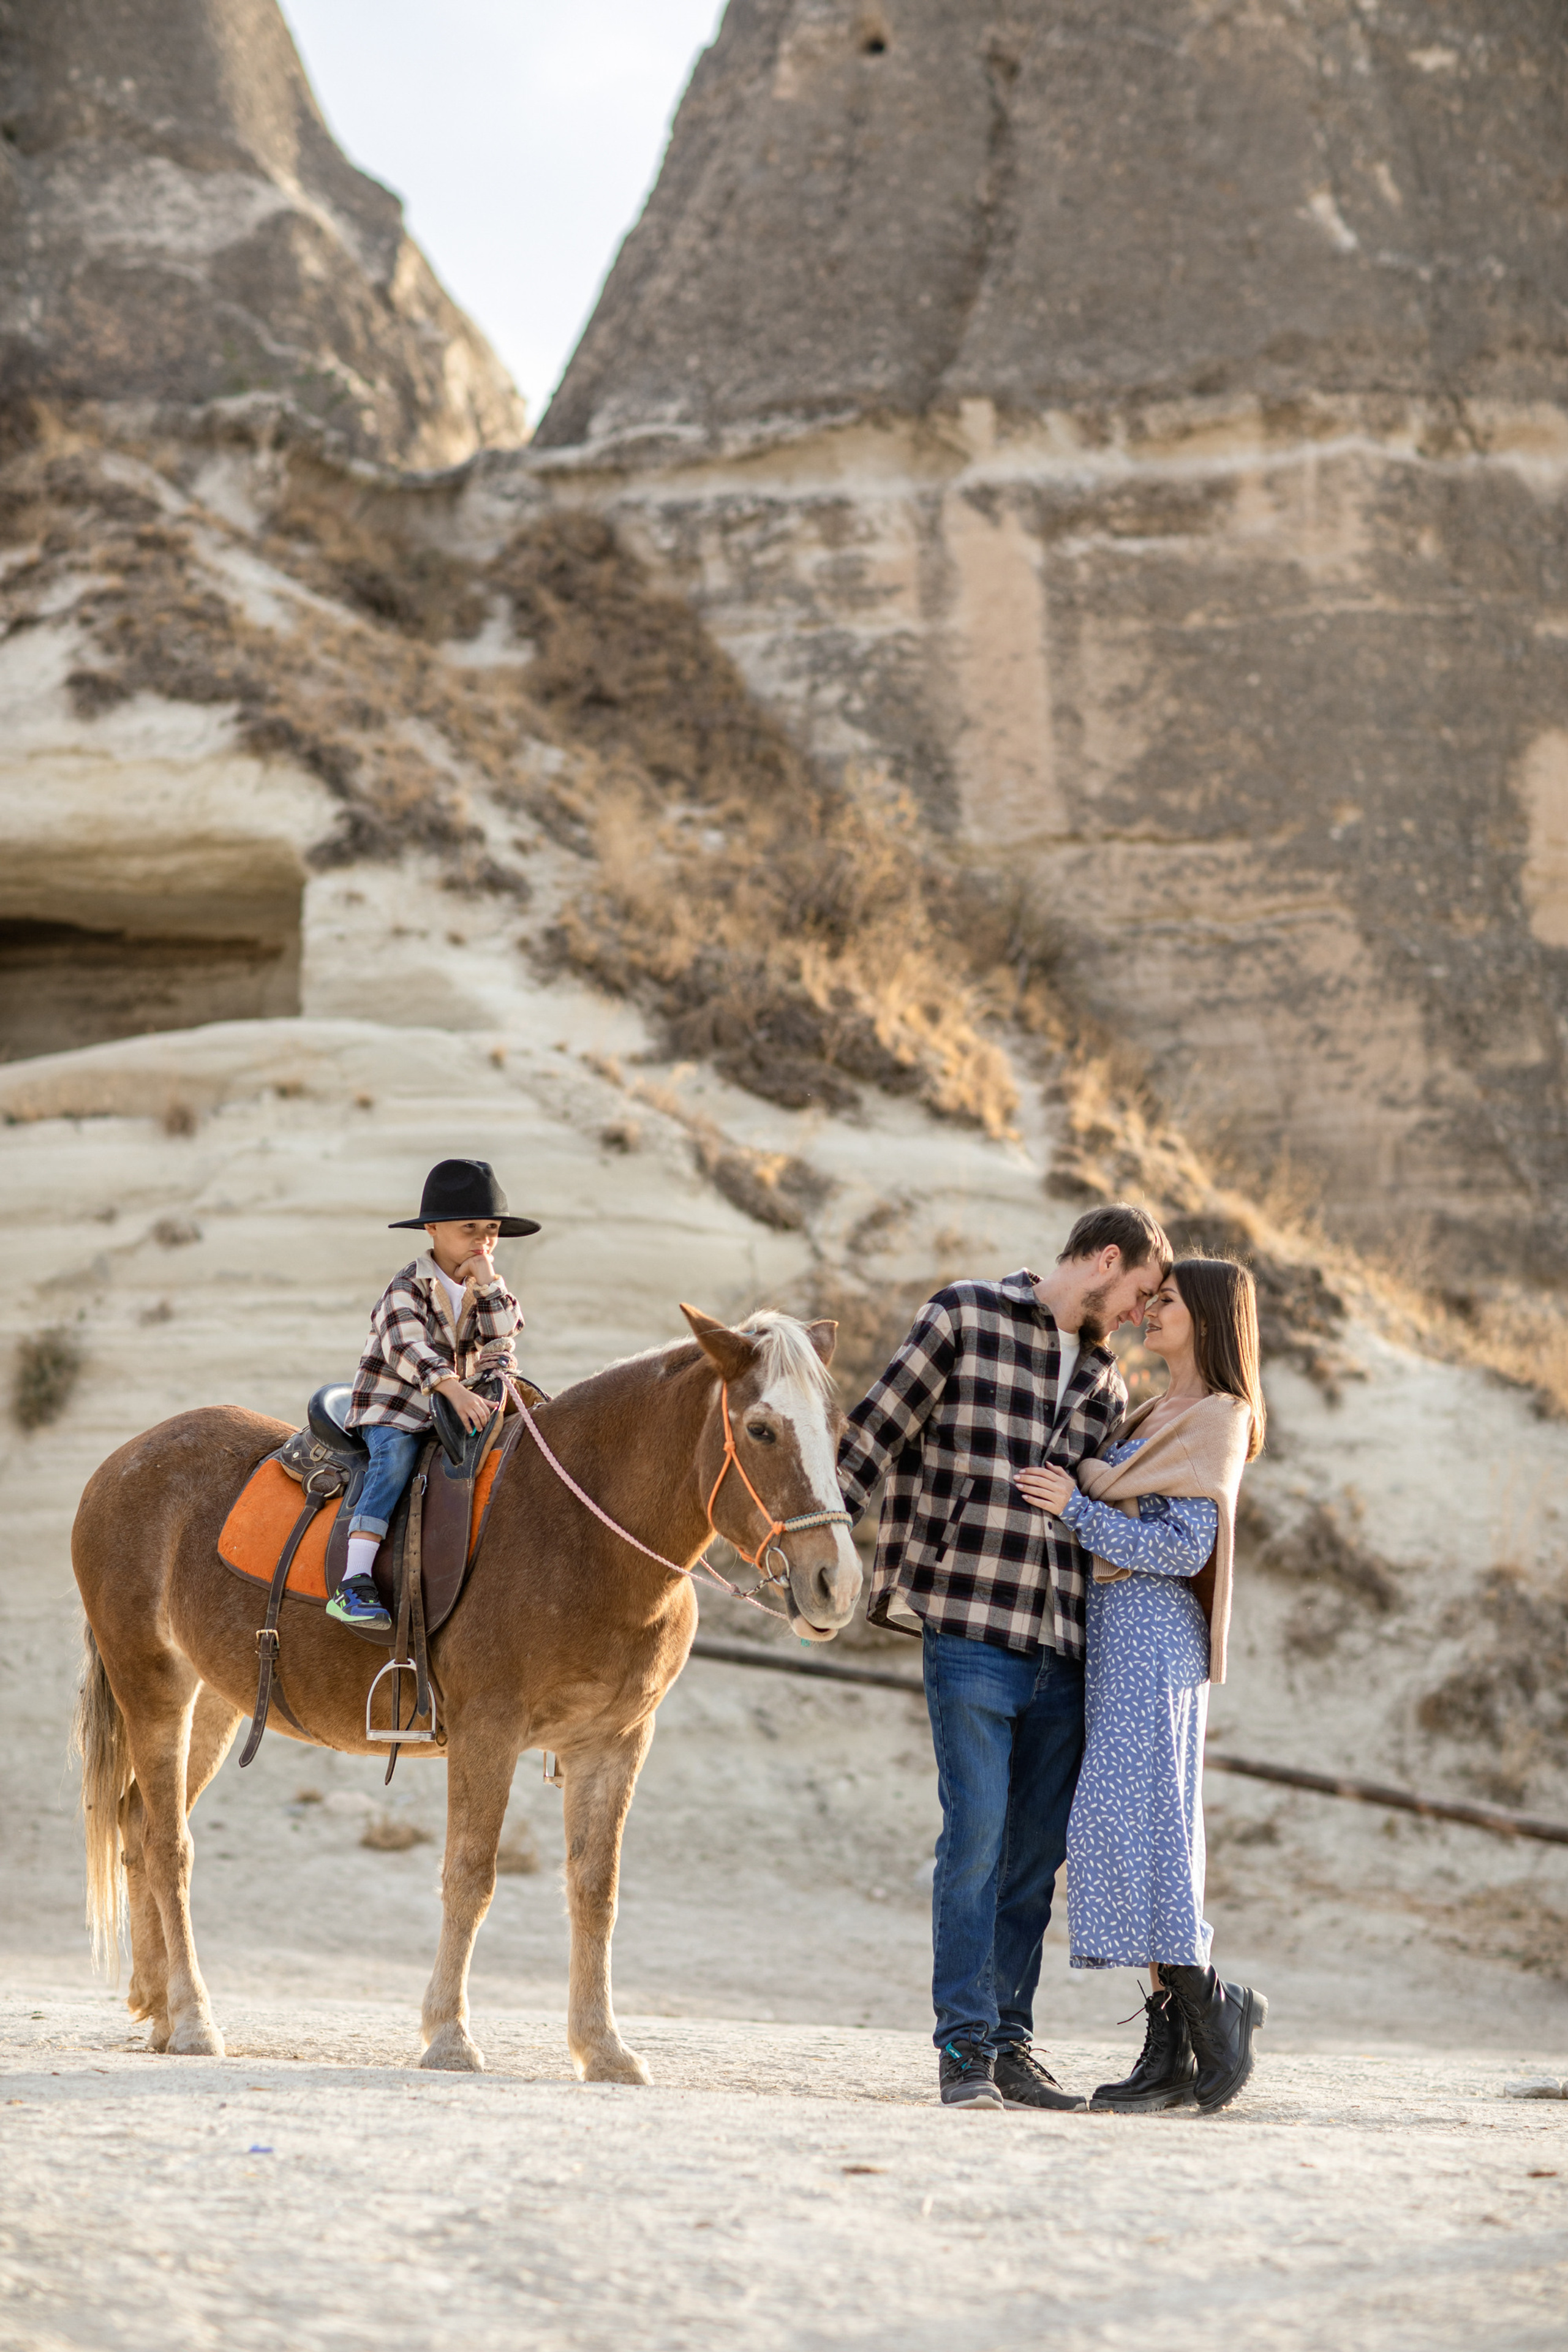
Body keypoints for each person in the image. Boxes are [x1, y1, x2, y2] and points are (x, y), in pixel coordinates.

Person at [837, 1204, 1172, 2110]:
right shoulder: (964, 1314)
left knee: (1032, 1864)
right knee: (977, 1842)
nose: (1141, 1313)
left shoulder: (1106, 1384)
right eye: (1140, 1291)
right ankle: (962, 2051)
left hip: (1066, 1647)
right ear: (1107, 1259)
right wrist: (818, 1558)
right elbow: (875, 1431)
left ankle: (1010, 2044)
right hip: (973, 1628)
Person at [1017, 1256, 1266, 2113]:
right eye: (1151, 1297)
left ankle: (1214, 2010)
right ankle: (1176, 2047)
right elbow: (1142, 1514)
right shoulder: (1157, 1409)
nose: (1150, 1311)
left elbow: (1184, 1547)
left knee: (1130, 1825)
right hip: (1115, 1639)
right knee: (1135, 1830)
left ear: (1206, 1316)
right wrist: (1101, 1508)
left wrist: (1080, 1511)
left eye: (1166, 1302)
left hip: (1158, 1640)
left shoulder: (1222, 1418)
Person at [326, 1158, 540, 1634]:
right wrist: (452, 1390)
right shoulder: (407, 1286)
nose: (483, 1240)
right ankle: (354, 1578)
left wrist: (488, 1285)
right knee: (395, 1460)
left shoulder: (485, 1287)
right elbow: (407, 1346)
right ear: (434, 1230)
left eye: (492, 1229)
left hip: (452, 1406)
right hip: (398, 1406)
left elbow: (505, 1334)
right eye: (469, 1229)